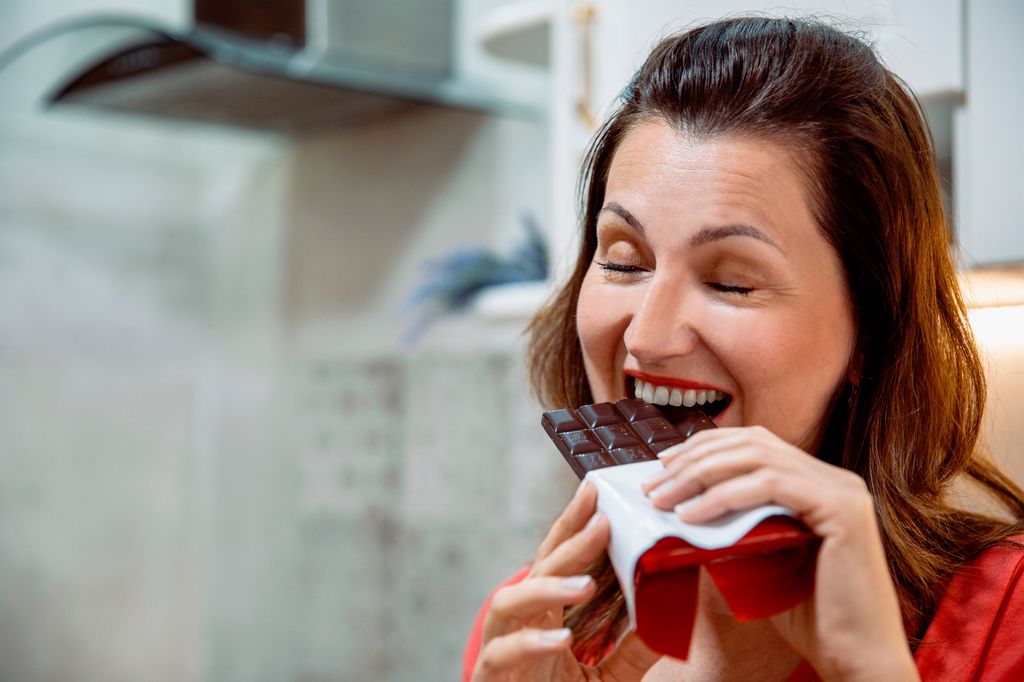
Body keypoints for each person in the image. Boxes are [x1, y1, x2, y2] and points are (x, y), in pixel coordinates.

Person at [462, 16, 1024, 681]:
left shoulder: (1006, 620)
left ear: (869, 332)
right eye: (622, 261)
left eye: (731, 281)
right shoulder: (534, 631)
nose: (646, 338)